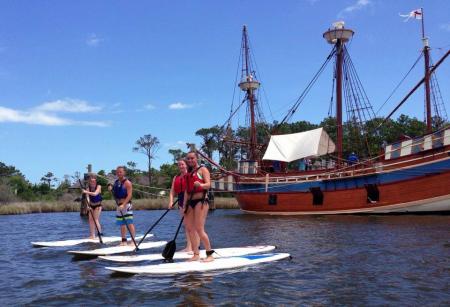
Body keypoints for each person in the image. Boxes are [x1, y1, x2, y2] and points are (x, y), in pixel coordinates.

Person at [183, 151, 214, 262]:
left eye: (192, 158)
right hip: (190, 202)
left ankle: (209, 254)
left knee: (199, 229)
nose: (190, 160)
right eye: (188, 159)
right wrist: (184, 206)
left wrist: (200, 184)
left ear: (197, 159)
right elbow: (186, 191)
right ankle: (196, 254)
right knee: (190, 228)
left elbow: (208, 184)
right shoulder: (188, 174)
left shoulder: (203, 170)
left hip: (201, 201)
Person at [169, 159, 198, 253]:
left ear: (186, 165)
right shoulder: (176, 177)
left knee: (192, 225)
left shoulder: (190, 175)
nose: (181, 166)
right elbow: (172, 191)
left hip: (190, 200)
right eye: (179, 165)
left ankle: (194, 247)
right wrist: (170, 202)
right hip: (181, 201)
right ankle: (189, 246)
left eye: (182, 164)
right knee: (186, 225)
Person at [108, 166, 136, 246]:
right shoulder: (116, 182)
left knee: (129, 223)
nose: (119, 173)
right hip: (119, 205)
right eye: (117, 172)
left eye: (120, 172)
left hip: (126, 205)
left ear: (124, 173)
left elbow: (129, 195)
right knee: (122, 224)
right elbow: (114, 192)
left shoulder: (127, 183)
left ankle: (133, 241)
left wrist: (123, 205)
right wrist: (110, 189)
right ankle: (123, 240)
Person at [82, 175, 103, 239]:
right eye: (91, 181)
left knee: (96, 219)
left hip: (98, 206)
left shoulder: (99, 186)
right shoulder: (88, 188)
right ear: (89, 182)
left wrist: (85, 192)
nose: (92, 182)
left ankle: (100, 234)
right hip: (91, 205)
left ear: (96, 181)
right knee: (90, 220)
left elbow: (95, 194)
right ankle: (92, 235)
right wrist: (88, 205)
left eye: (94, 181)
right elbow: (88, 197)